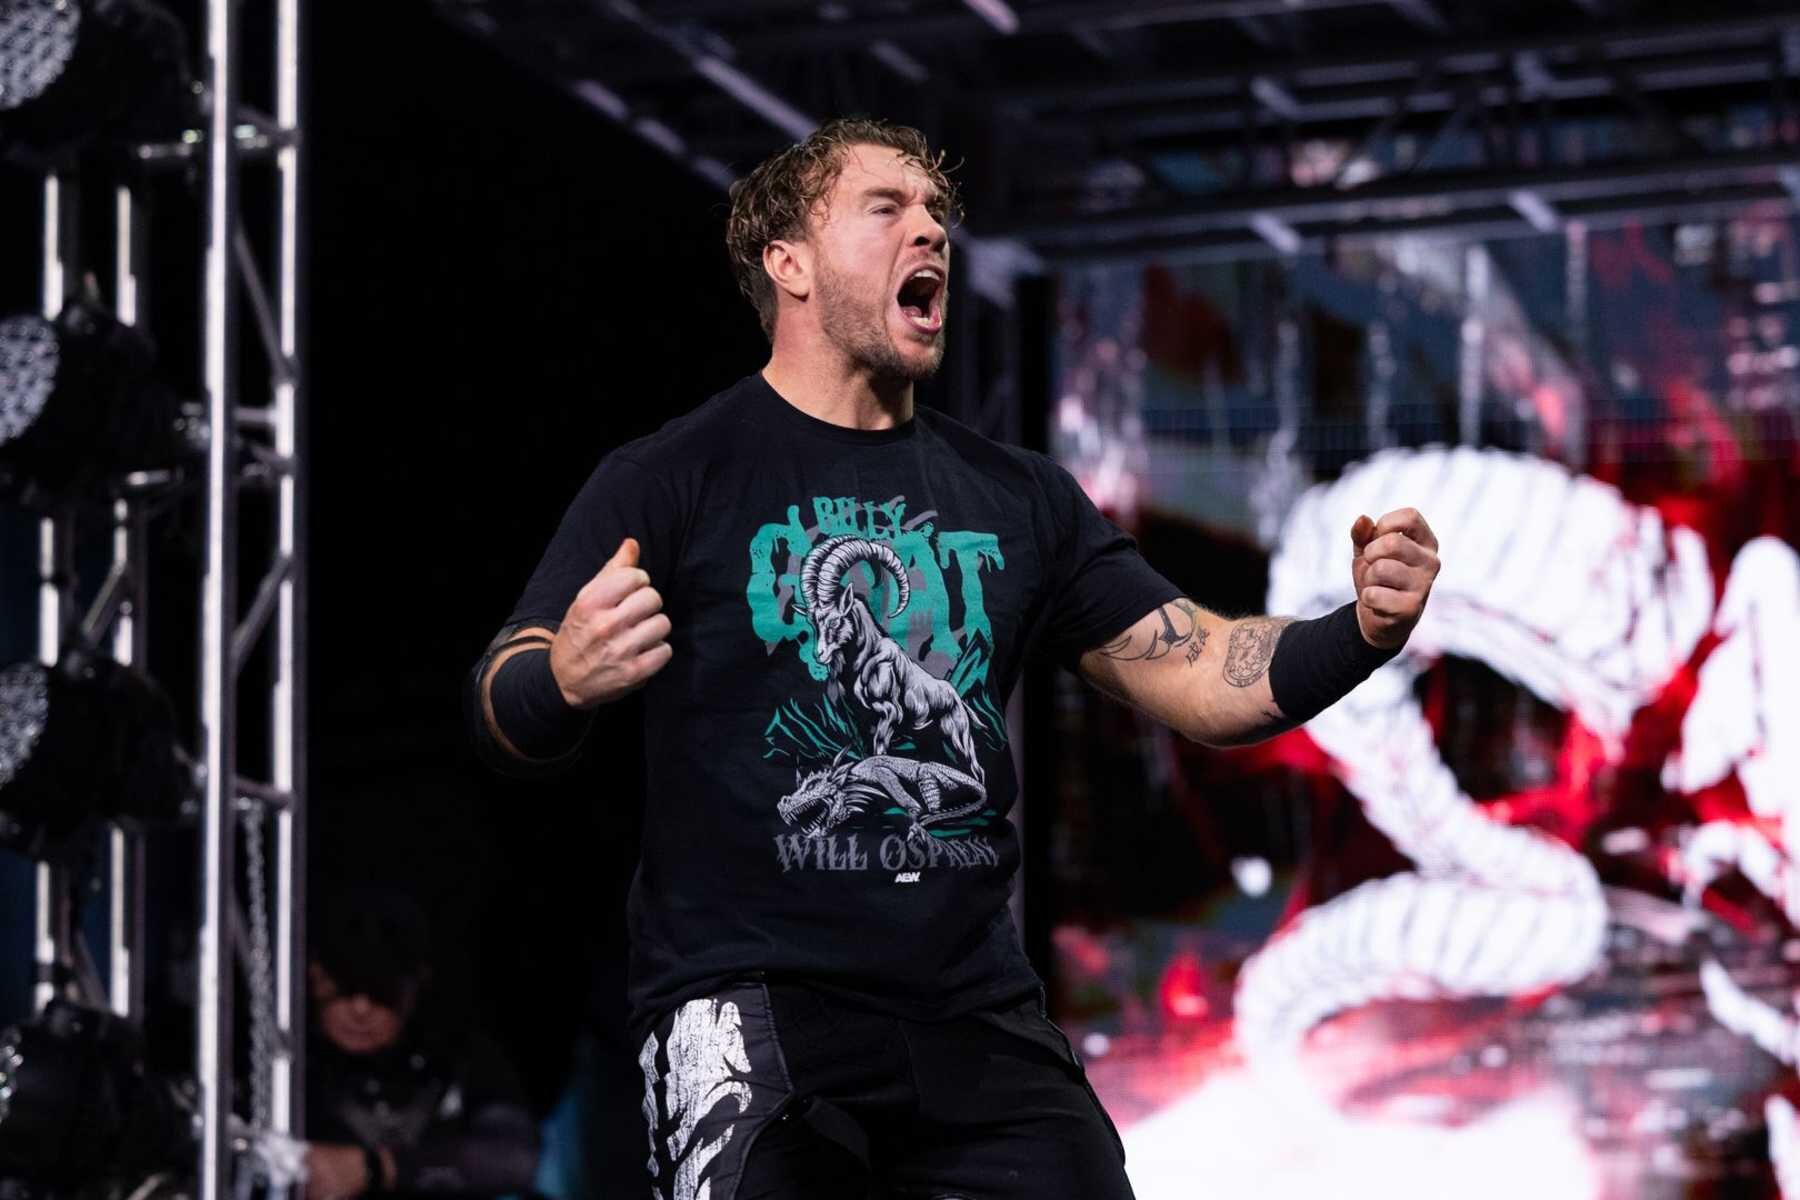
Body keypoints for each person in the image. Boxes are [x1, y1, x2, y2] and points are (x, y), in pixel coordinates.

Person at [468, 116, 1440, 1199]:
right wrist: (561, 680)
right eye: (886, 208)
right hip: (753, 1005)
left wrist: (1361, 631)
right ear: (789, 263)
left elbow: (1208, 673)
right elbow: (503, 698)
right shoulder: (676, 475)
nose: (930, 229)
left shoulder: (1017, 497)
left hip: (972, 1014)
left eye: (936, 212)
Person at [303, 886, 540, 1200]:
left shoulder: (457, 1056)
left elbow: (514, 1160)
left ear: (417, 982)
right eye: (343, 987)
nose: (361, 1008)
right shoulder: (281, 1064)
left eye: (381, 991)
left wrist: (377, 1168)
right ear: (314, 975)